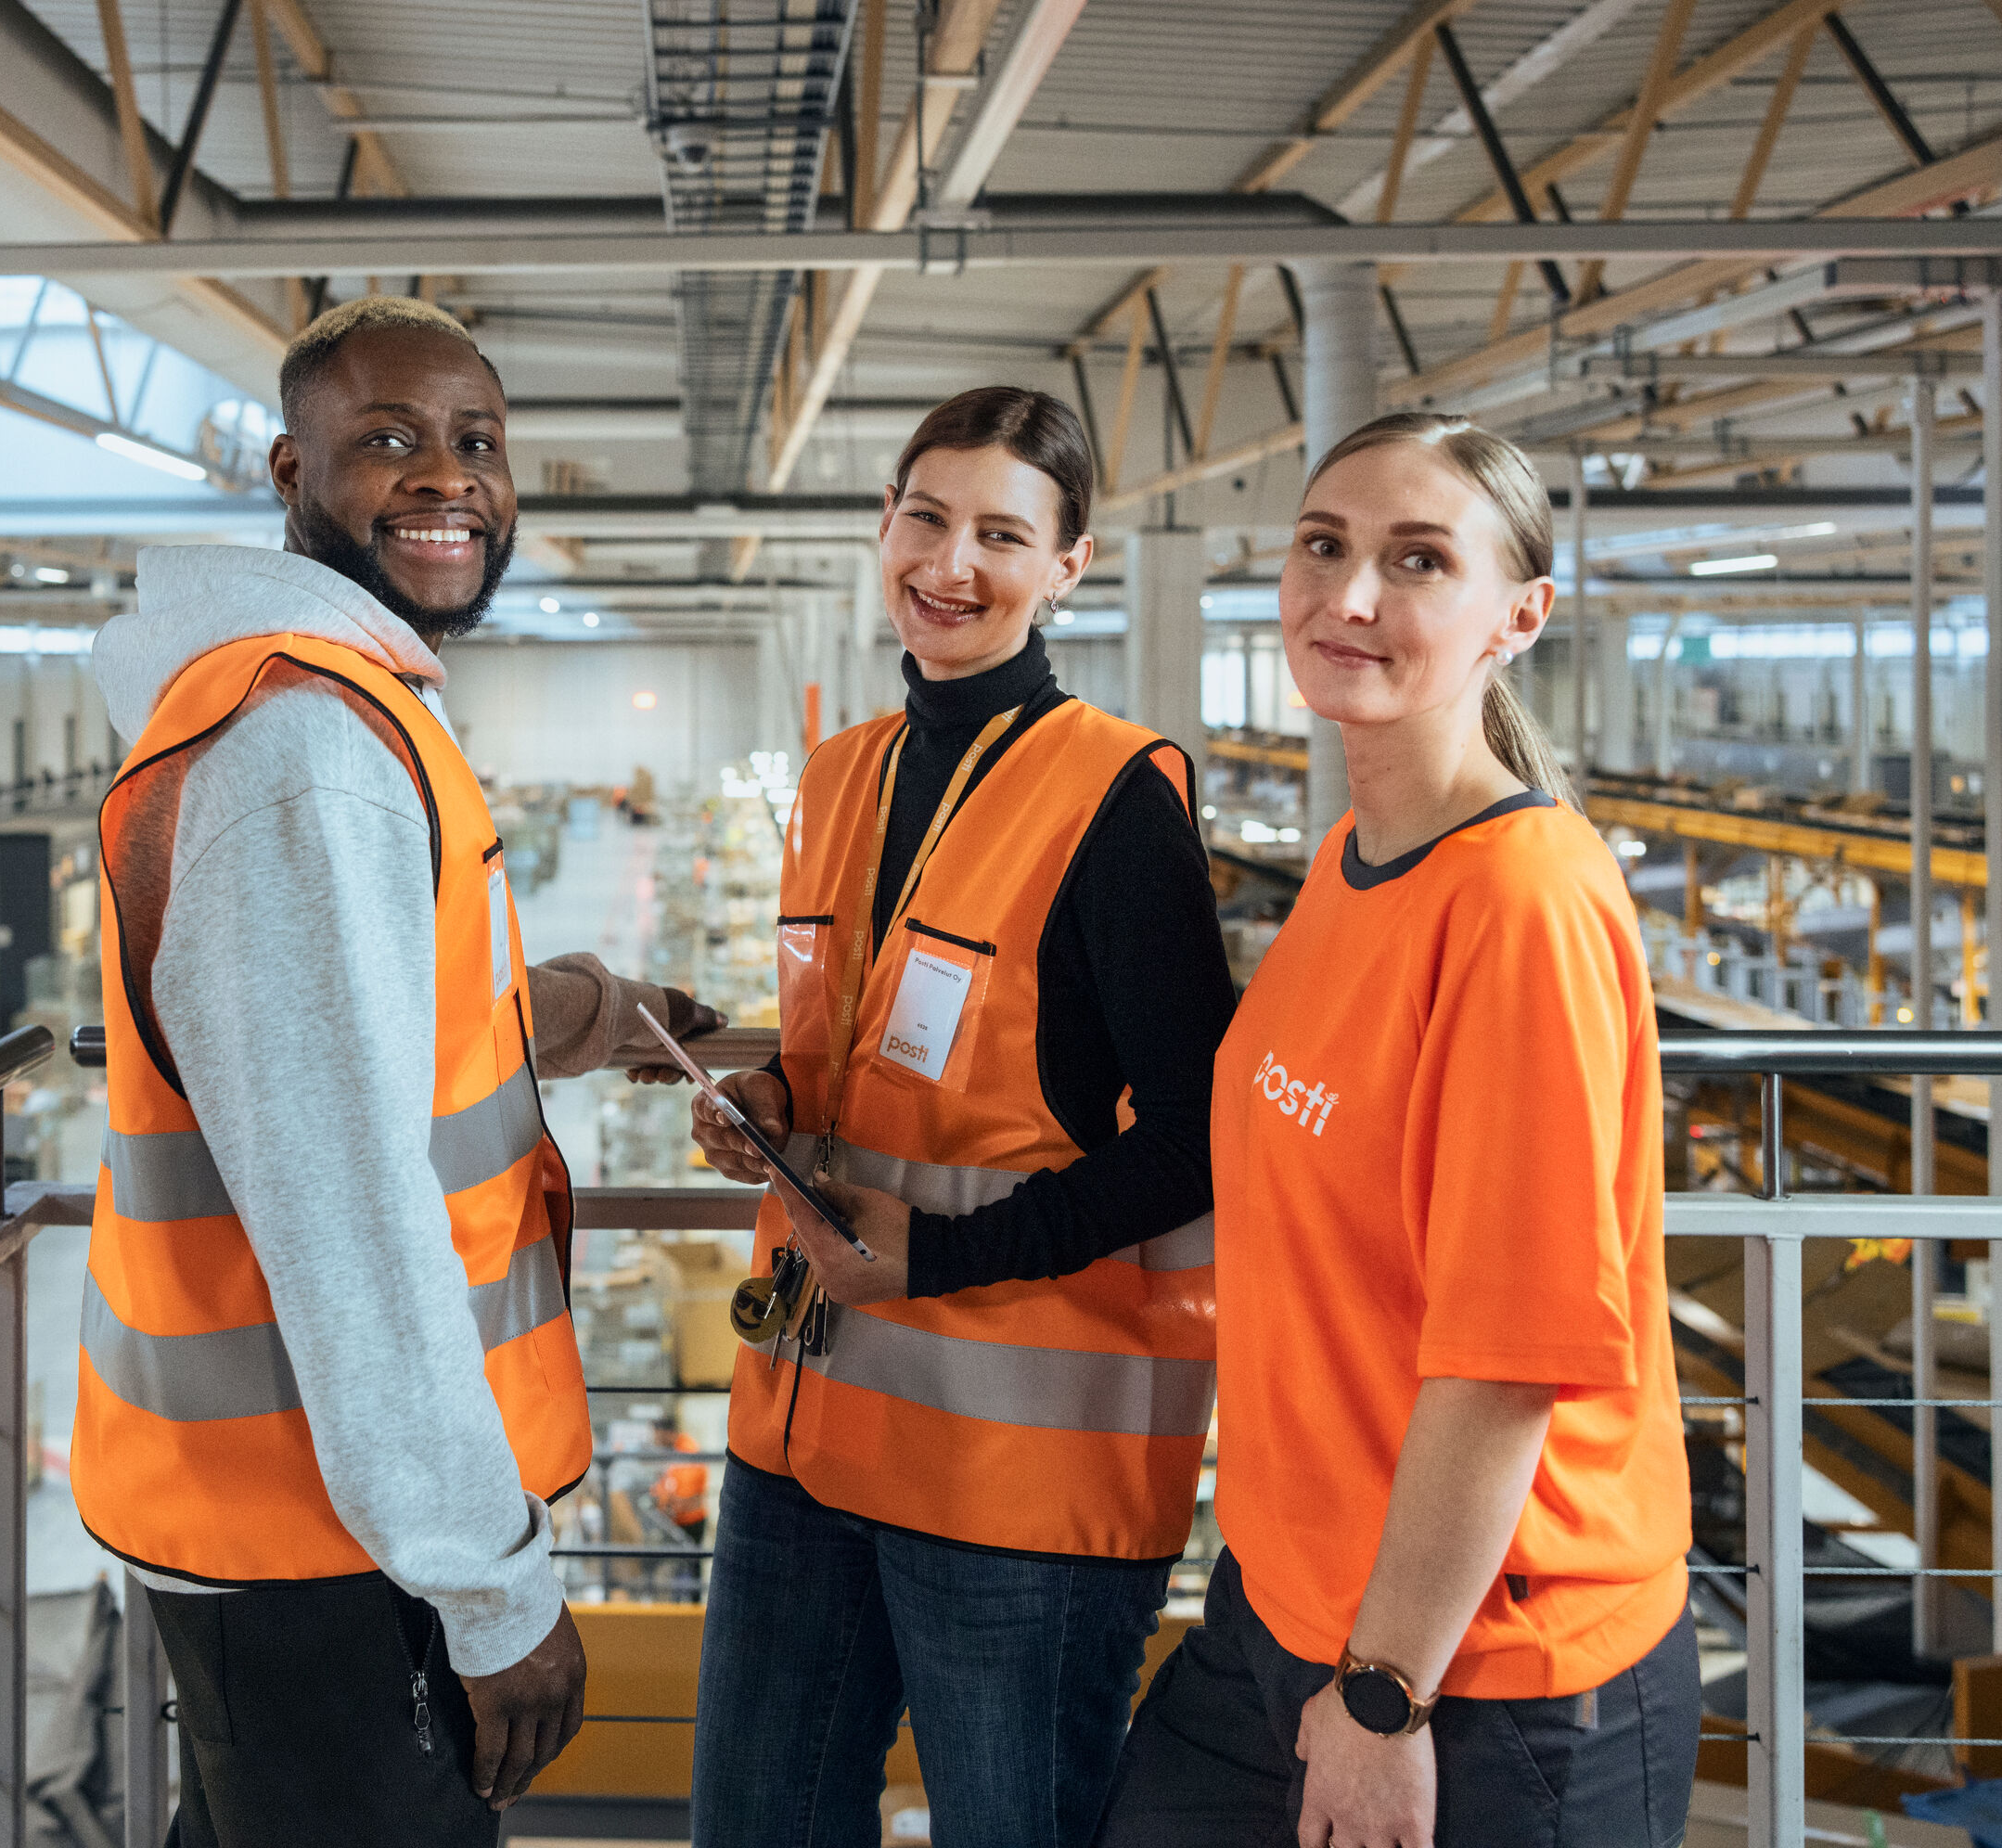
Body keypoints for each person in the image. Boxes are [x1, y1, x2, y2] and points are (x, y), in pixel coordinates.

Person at [74, 293, 709, 1847]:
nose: (447, 478)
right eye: (388, 441)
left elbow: (380, 1036)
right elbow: (350, 1211)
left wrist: (580, 1007)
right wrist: (492, 1589)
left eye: (476, 442)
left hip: (307, 1523)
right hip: (331, 1542)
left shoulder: (336, 709)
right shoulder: (303, 752)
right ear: (292, 473)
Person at [1097, 413, 1697, 1848]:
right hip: (1284, 1604)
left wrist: (1382, 1700)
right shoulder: (1352, 866)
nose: (1348, 597)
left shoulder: (1521, 906)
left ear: (1518, 618)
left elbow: (1506, 1362)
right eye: (1324, 546)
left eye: (1417, 560)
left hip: (1476, 1672)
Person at [677, 386, 1237, 1847]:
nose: (953, 562)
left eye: (1003, 533)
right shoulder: (836, 775)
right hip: (799, 1434)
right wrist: (769, 1104)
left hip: (1017, 1486)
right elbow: (843, 1050)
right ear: (883, 529)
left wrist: (935, 1259)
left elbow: (1194, 1140)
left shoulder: (1114, 800)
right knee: (757, 1824)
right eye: (926, 518)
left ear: (1070, 565)